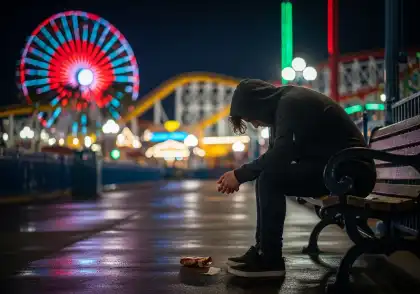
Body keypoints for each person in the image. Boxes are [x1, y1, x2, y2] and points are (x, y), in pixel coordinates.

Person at [217, 79, 376, 278]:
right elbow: (278, 156)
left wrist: (239, 175)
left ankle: (270, 259)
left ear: (259, 104)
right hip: (337, 168)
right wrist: (244, 173)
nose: (256, 125)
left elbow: (281, 154)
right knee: (268, 176)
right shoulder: (285, 103)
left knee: (270, 179)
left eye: (252, 119)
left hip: (351, 174)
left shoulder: (291, 103)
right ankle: (263, 250)